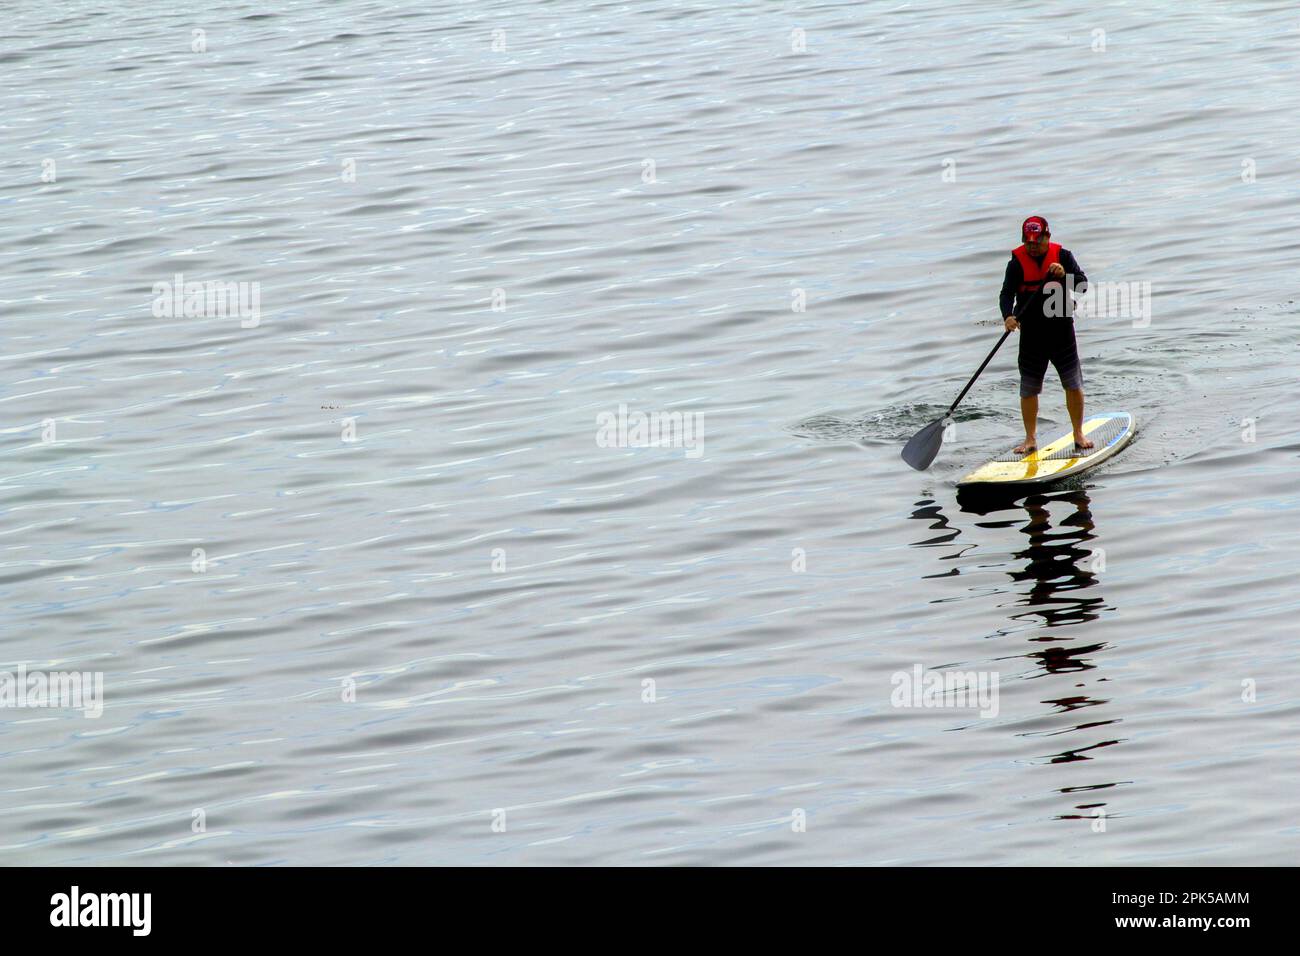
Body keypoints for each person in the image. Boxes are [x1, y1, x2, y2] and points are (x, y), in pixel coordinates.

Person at [1000, 216, 1090, 454]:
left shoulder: (1063, 256)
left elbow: (1082, 285)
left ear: (1047, 237)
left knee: (1072, 383)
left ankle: (1078, 433)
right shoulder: (1016, 263)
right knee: (1028, 388)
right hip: (1031, 334)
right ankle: (1030, 439)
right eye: (1028, 242)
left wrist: (1064, 276)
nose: (1032, 246)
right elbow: (1006, 293)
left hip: (1061, 331)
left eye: (1037, 241)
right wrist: (1008, 316)